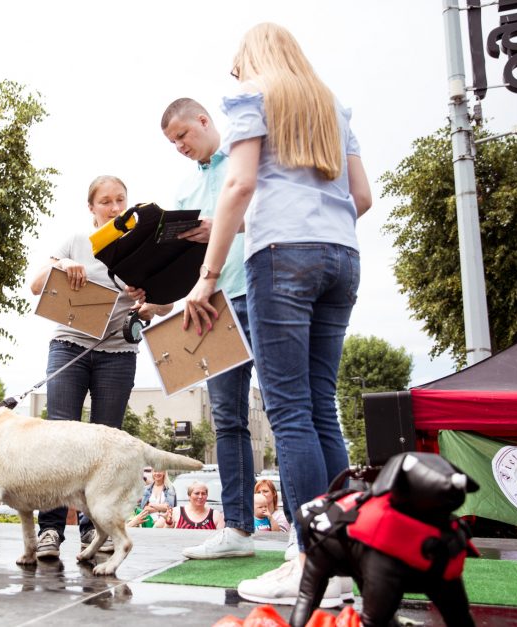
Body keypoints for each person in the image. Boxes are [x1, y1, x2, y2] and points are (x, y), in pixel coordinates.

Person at [183, 23, 371, 605]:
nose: (235, 76)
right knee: (321, 408)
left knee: (287, 412)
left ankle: (310, 558)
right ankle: (341, 557)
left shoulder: (254, 95)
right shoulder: (332, 105)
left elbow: (238, 183)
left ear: (251, 61)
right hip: (341, 257)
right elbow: (362, 196)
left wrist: (206, 279)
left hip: (281, 260)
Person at [28, 175, 172, 559]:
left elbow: (165, 306)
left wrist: (148, 304)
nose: (114, 207)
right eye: (105, 201)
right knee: (58, 439)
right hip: (69, 347)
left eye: (120, 200)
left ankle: (96, 531)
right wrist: (64, 264)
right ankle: (50, 531)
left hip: (118, 354)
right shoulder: (76, 241)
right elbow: (35, 285)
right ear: (91, 208)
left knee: (106, 444)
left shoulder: (142, 249)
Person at [161, 97, 257, 560]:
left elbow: (262, 213)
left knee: (285, 409)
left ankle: (308, 528)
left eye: (183, 135)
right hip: (213, 308)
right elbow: (183, 264)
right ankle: (237, 530)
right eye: (172, 142)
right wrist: (153, 289)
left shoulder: (246, 154)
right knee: (228, 420)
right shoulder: (183, 193)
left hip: (261, 289)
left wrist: (219, 226)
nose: (179, 145)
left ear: (204, 120)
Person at [158, 482, 225, 530]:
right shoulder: (175, 512)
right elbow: (160, 533)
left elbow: (222, 539)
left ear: (207, 496)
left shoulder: (215, 515)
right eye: (197, 493)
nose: (200, 496)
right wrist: (168, 523)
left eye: (203, 493)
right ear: (189, 496)